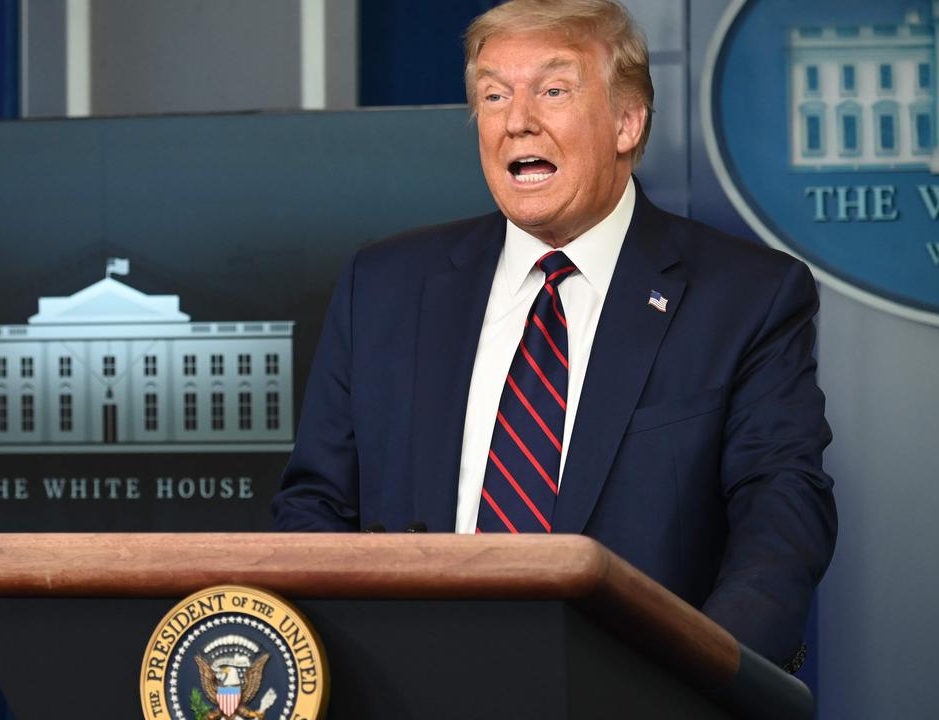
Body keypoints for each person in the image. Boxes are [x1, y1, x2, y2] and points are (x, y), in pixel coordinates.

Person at [271, 0, 836, 670]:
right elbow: (316, 506)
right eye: (493, 94)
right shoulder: (385, 286)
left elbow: (781, 513)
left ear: (628, 121)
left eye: (553, 90)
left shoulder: (746, 297)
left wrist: (701, 679)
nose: (517, 121)